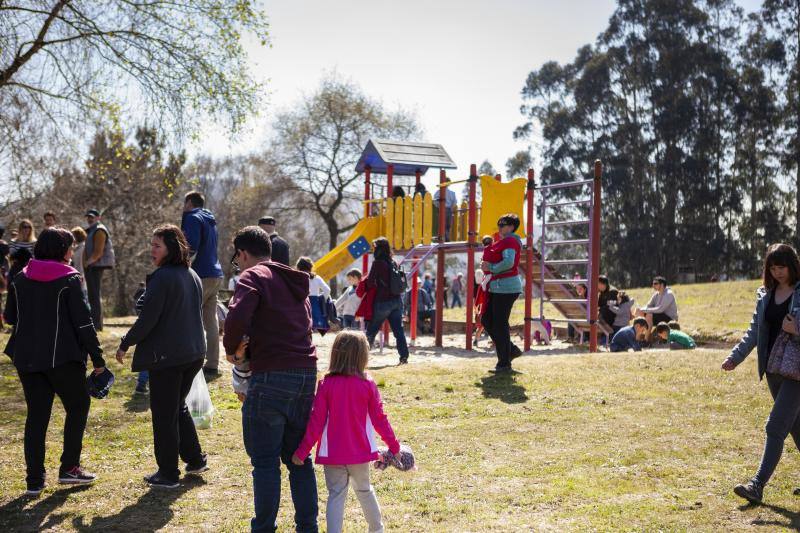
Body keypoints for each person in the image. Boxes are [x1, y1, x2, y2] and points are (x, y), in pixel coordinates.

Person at [223, 226, 319, 532]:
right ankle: (308, 527)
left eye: (236, 258)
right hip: (305, 373)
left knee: (265, 464)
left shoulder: (251, 277)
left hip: (271, 375)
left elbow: (236, 318)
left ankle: (263, 528)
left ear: (243, 253)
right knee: (299, 459)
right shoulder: (294, 280)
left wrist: (230, 349)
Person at [3, 227, 106, 495]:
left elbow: (10, 318)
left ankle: (34, 481)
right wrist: (98, 360)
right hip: (62, 357)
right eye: (70, 248)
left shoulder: (20, 278)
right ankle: (69, 468)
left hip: (27, 358)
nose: (73, 253)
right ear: (61, 250)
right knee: (79, 404)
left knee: (36, 417)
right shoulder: (70, 279)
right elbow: (85, 324)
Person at [115, 224, 208, 489]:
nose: (151, 250)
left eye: (157, 246)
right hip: (193, 353)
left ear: (172, 248)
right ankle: (195, 459)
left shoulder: (162, 277)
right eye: (152, 244)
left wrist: (126, 342)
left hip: (170, 357)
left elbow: (148, 319)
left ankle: (167, 474)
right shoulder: (192, 274)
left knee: (164, 414)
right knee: (177, 406)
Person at [292, 330, 400, 533]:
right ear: (362, 357)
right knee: (365, 490)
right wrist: (394, 446)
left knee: (336, 495)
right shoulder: (367, 384)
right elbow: (380, 419)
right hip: (359, 453)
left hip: (332, 454)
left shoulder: (326, 384)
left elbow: (316, 422)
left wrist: (302, 451)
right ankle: (376, 530)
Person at [723, 243, 800, 504]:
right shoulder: (765, 294)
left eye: (783, 267)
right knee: (796, 428)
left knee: (776, 425)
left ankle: (757, 485)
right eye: (773, 267)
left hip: (797, 372)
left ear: (792, 266)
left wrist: (797, 330)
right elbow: (754, 331)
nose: (778, 273)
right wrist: (736, 357)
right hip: (773, 370)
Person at [181, 191, 224, 379]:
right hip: (215, 273)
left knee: (188, 316)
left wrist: (180, 265)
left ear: (189, 202)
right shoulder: (210, 219)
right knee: (210, 320)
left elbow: (191, 246)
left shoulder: (192, 218)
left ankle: (189, 360)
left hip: (200, 274)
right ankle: (212, 363)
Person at [480, 214, 523, 373]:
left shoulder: (511, 241)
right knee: (487, 320)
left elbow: (508, 262)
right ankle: (509, 351)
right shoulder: (505, 241)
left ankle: (504, 363)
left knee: (499, 324)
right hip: (499, 287)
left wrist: (490, 267)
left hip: (506, 288)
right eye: (498, 224)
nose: (500, 227)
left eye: (503, 224)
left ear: (512, 226)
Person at [364, 237, 410, 365]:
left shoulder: (377, 263)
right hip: (396, 301)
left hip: (382, 302)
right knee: (398, 331)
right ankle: (404, 357)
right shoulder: (393, 262)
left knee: (371, 331)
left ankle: (361, 359)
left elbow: (370, 282)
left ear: (378, 249)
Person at [83, 209, 115, 332]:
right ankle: (96, 323)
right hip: (93, 266)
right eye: (88, 217)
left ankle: (96, 325)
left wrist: (87, 263)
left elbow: (98, 252)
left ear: (98, 217)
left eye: (92, 217)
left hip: (95, 266)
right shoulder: (92, 230)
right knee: (93, 295)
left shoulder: (99, 230)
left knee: (94, 295)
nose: (89, 219)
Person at [296, 257, 331, 333]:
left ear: (298, 267)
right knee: (315, 325)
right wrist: (323, 299)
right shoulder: (316, 278)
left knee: (303, 325)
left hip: (301, 303)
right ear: (311, 267)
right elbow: (327, 290)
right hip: (314, 303)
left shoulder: (296, 277)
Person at [70, 227, 88, 297]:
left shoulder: (83, 247)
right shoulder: (77, 248)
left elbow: (81, 264)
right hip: (77, 276)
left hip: (82, 276)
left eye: (73, 235)